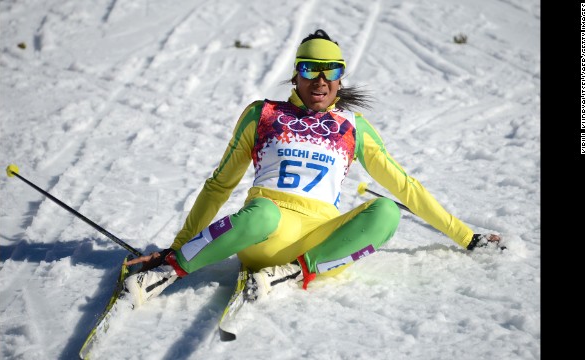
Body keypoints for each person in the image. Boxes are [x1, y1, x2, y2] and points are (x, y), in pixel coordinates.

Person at [123, 29, 502, 308]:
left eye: (330, 70)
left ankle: (294, 272)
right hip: (264, 235)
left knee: (386, 210)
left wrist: (467, 237)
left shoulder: (353, 127)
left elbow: (406, 187)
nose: (320, 79)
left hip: (320, 243)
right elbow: (220, 185)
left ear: (340, 78)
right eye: (310, 68)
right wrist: (176, 246)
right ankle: (166, 273)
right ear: (296, 75)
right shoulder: (264, 114)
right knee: (262, 213)